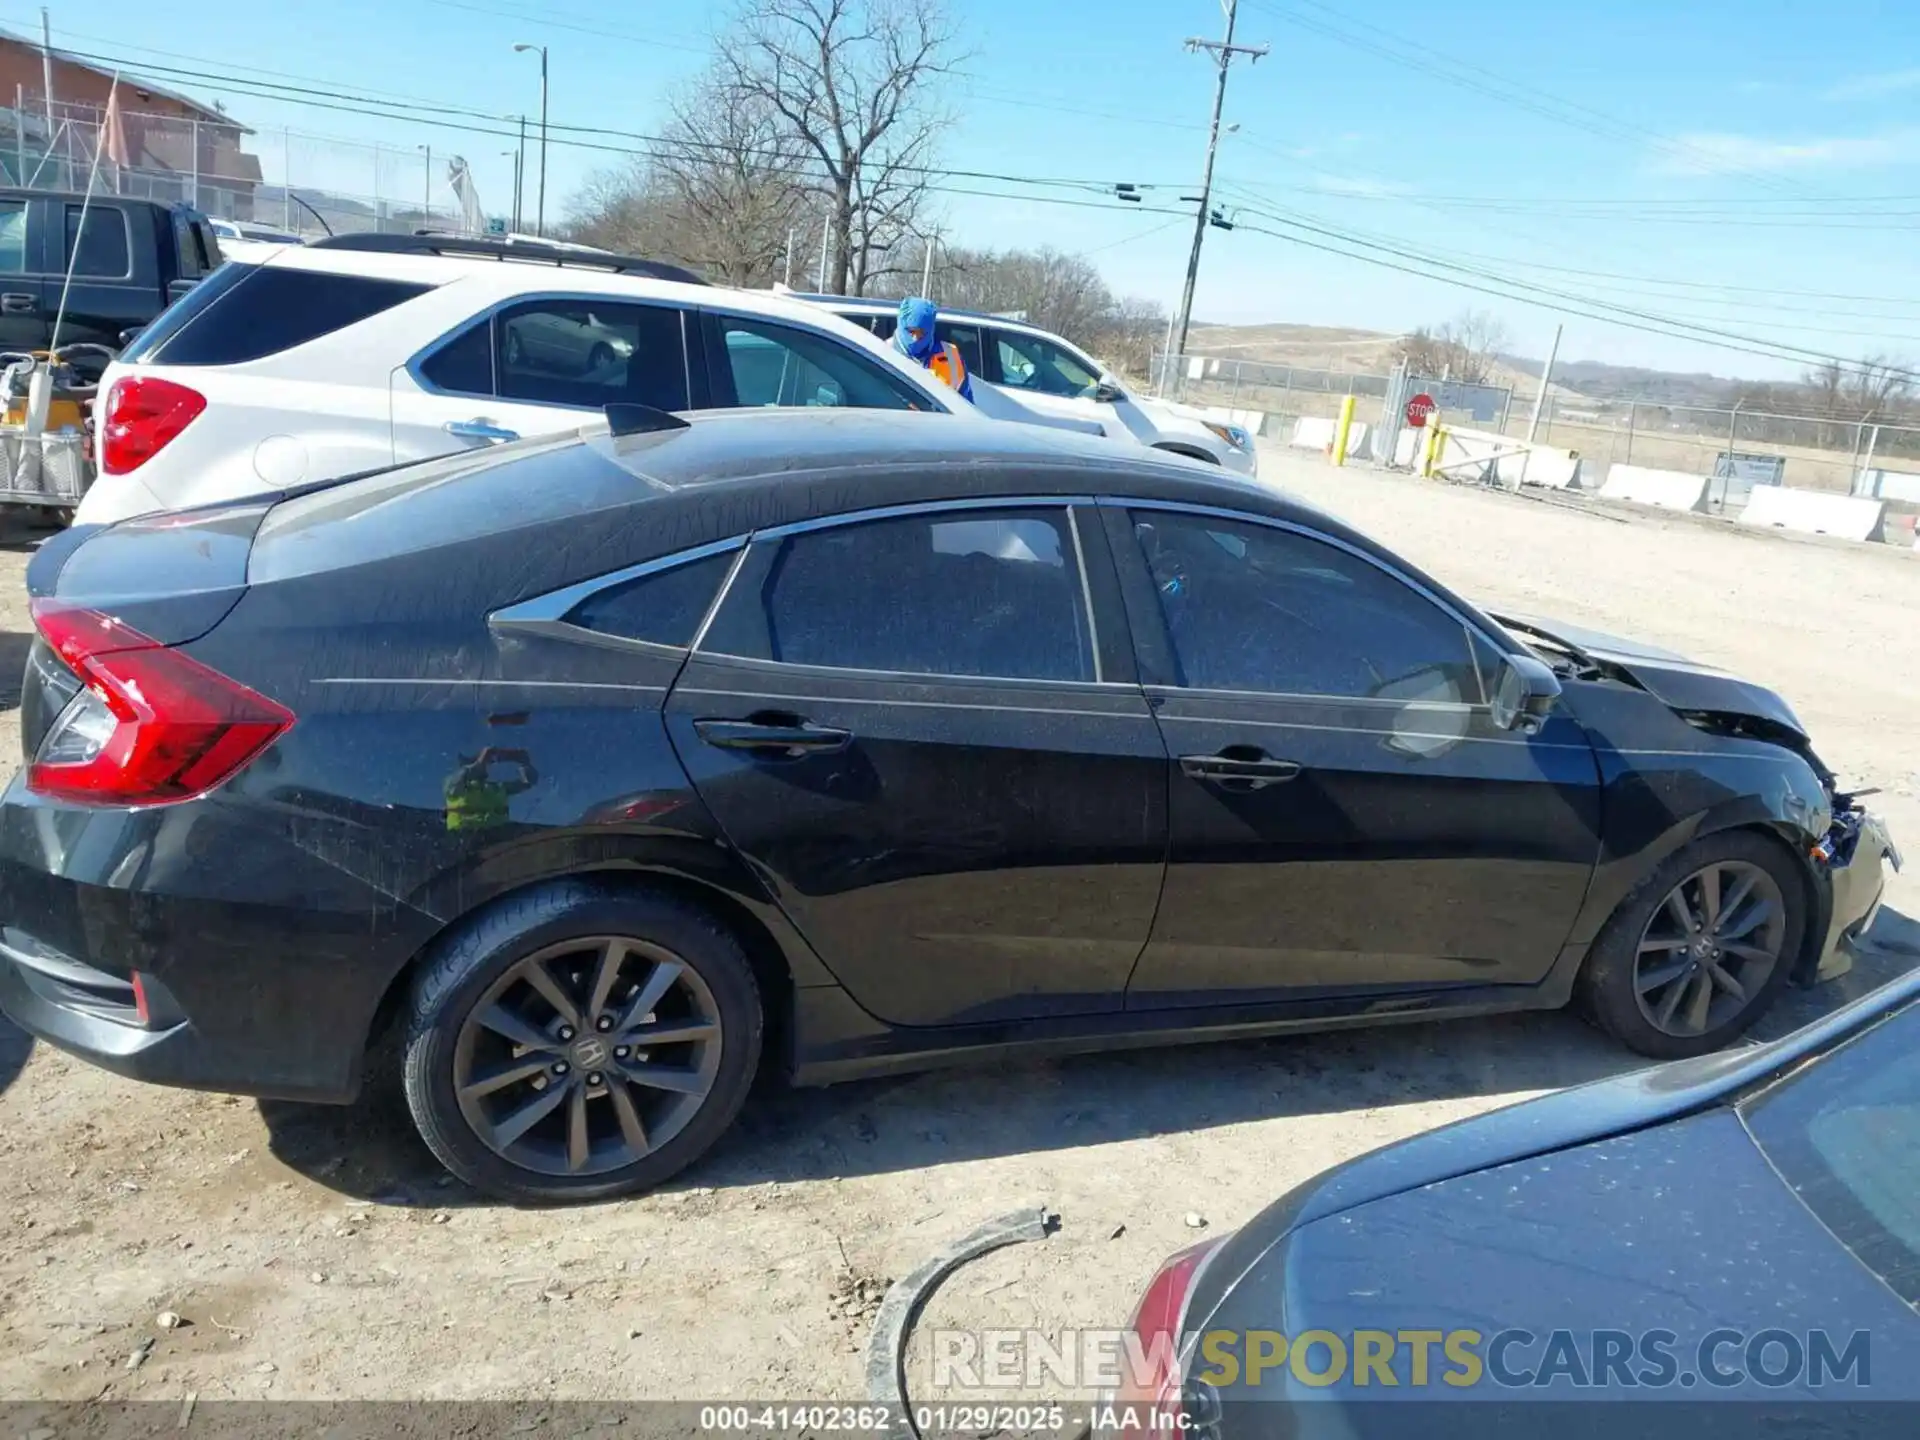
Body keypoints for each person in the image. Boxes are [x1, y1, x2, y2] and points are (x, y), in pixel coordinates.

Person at [893, 296, 974, 403]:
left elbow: (966, 404)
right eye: (911, 331)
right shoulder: (883, 352)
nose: (915, 339)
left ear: (931, 330)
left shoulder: (951, 356)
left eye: (921, 333)